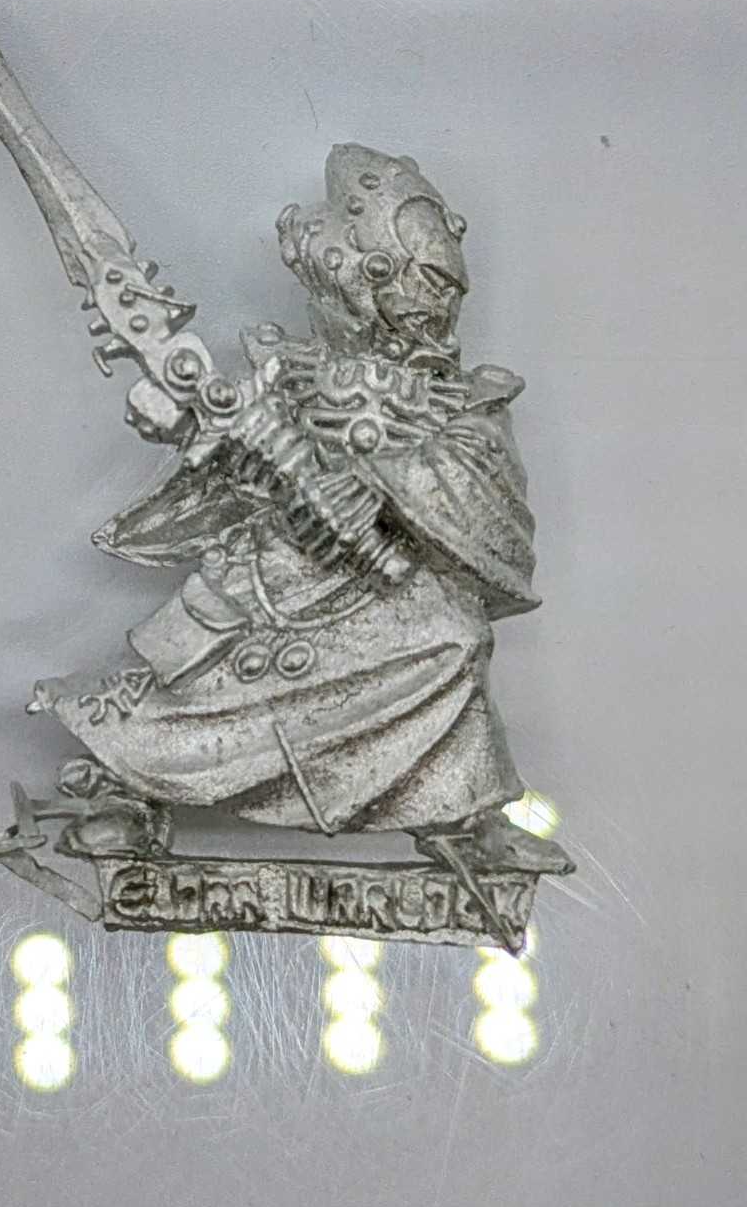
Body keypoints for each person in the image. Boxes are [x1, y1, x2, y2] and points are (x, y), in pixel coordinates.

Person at [32, 144, 544, 861]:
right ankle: (134, 789)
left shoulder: (461, 399)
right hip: (274, 576)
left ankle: (460, 815)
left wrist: (381, 484)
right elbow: (232, 470)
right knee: (192, 686)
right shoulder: (284, 372)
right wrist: (184, 429)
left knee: (456, 638)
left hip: (388, 588)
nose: (420, 311)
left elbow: (483, 497)